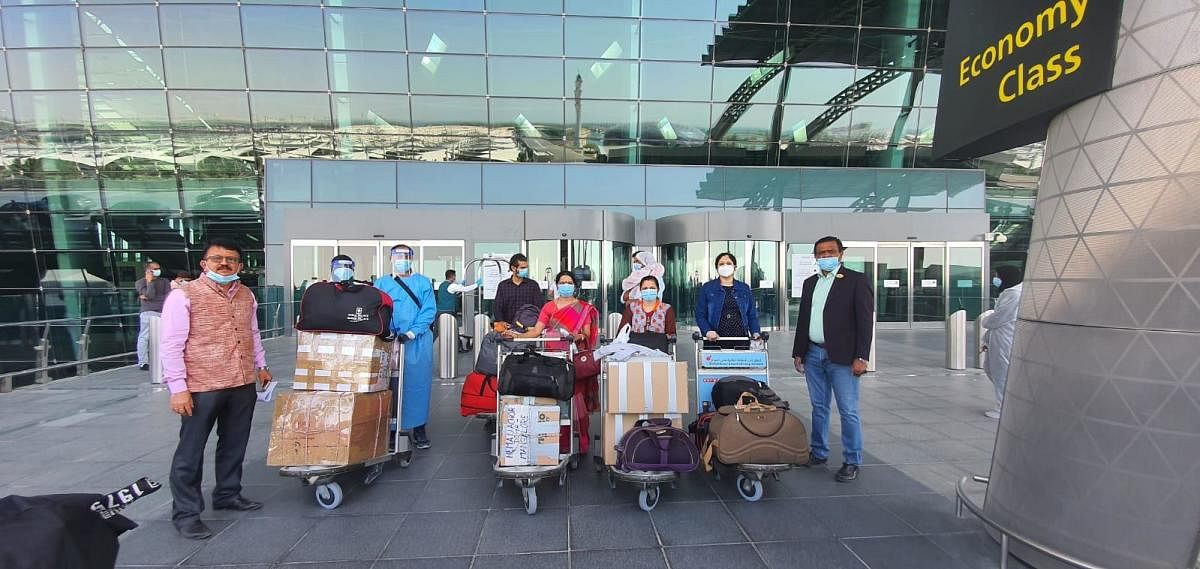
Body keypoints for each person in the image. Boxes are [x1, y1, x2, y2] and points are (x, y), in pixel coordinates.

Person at [160, 238, 271, 539]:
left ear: (239, 265)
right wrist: (178, 388)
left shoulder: (247, 294)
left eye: (231, 259)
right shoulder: (184, 296)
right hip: (201, 385)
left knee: (234, 444)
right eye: (217, 258)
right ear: (204, 263)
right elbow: (170, 346)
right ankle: (186, 513)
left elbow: (253, 332)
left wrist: (261, 365)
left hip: (241, 381)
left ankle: (227, 494)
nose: (224, 264)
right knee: (191, 451)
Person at [791, 236, 874, 483]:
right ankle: (818, 452)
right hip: (814, 353)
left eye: (831, 252)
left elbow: (865, 322)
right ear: (815, 257)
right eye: (821, 253)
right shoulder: (810, 283)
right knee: (819, 407)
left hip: (843, 357)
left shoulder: (856, 281)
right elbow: (803, 320)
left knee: (848, 410)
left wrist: (862, 356)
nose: (826, 256)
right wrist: (799, 352)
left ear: (840, 254)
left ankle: (852, 460)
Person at [505, 271, 599, 455]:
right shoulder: (548, 307)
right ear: (557, 285)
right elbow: (536, 331)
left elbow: (587, 334)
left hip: (573, 358)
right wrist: (517, 335)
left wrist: (578, 336)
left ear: (575, 285)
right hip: (552, 359)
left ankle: (581, 441)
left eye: (569, 282)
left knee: (576, 397)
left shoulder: (583, 308)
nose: (566, 285)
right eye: (562, 282)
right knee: (555, 398)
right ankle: (557, 441)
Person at [374, 244, 436, 449]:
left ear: (412, 258)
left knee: (418, 384)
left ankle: (419, 427)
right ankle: (392, 429)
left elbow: (428, 311)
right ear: (390, 259)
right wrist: (388, 332)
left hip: (417, 342)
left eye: (405, 256)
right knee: (389, 385)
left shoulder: (423, 283)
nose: (402, 260)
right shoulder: (382, 283)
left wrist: (413, 332)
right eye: (397, 256)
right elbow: (378, 310)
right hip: (390, 342)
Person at [980, 265, 1023, 419]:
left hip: (1005, 338)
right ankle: (1006, 402)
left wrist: (985, 321)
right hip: (999, 337)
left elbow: (1000, 317)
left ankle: (1003, 407)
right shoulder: (1011, 292)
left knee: (1001, 372)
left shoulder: (1014, 294)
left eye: (998, 275)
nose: (995, 279)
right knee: (991, 368)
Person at [695, 252, 761, 344]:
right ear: (717, 268)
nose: (725, 266)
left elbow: (752, 314)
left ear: (735, 267)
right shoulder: (708, 288)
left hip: (741, 340)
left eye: (729, 263)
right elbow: (700, 315)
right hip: (715, 340)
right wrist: (707, 331)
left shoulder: (744, 288)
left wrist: (755, 331)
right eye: (721, 264)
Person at [135, 261, 171, 371]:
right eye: (155, 269)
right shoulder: (140, 282)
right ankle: (143, 362)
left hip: (163, 312)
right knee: (144, 337)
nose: (157, 271)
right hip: (148, 312)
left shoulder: (164, 281)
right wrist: (149, 282)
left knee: (164, 337)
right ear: (148, 270)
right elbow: (150, 295)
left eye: (158, 268)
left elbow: (167, 296)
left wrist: (149, 297)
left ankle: (162, 360)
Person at [492, 253, 544, 328]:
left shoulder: (533, 285)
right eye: (522, 268)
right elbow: (497, 307)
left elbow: (540, 307)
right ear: (513, 268)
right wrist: (501, 322)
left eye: (526, 267)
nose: (525, 270)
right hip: (508, 328)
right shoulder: (503, 286)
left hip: (528, 329)